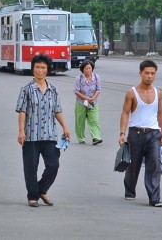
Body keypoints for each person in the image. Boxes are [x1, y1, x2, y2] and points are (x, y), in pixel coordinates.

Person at [16, 53, 71, 208]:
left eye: (43, 67)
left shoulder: (53, 90)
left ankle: (42, 189)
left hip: (50, 135)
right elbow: (22, 111)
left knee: (53, 165)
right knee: (30, 167)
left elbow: (57, 110)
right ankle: (32, 196)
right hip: (31, 135)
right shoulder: (26, 89)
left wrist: (65, 127)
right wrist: (21, 131)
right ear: (33, 69)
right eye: (37, 67)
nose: (40, 70)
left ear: (47, 70)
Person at [119, 60, 162, 207]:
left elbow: (160, 114)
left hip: (153, 134)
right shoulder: (132, 93)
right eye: (146, 73)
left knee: (154, 165)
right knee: (133, 166)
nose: (149, 76)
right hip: (135, 133)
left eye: (152, 73)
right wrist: (122, 133)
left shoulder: (158, 93)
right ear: (140, 74)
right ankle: (130, 190)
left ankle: (154, 198)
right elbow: (125, 113)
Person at [73, 60, 102, 145]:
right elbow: (76, 91)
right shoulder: (79, 78)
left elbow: (98, 89)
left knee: (94, 120)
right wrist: (86, 98)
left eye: (90, 68)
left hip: (93, 103)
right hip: (81, 103)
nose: (88, 70)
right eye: (86, 68)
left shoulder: (96, 77)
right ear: (82, 69)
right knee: (80, 121)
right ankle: (81, 138)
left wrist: (92, 98)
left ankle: (96, 137)